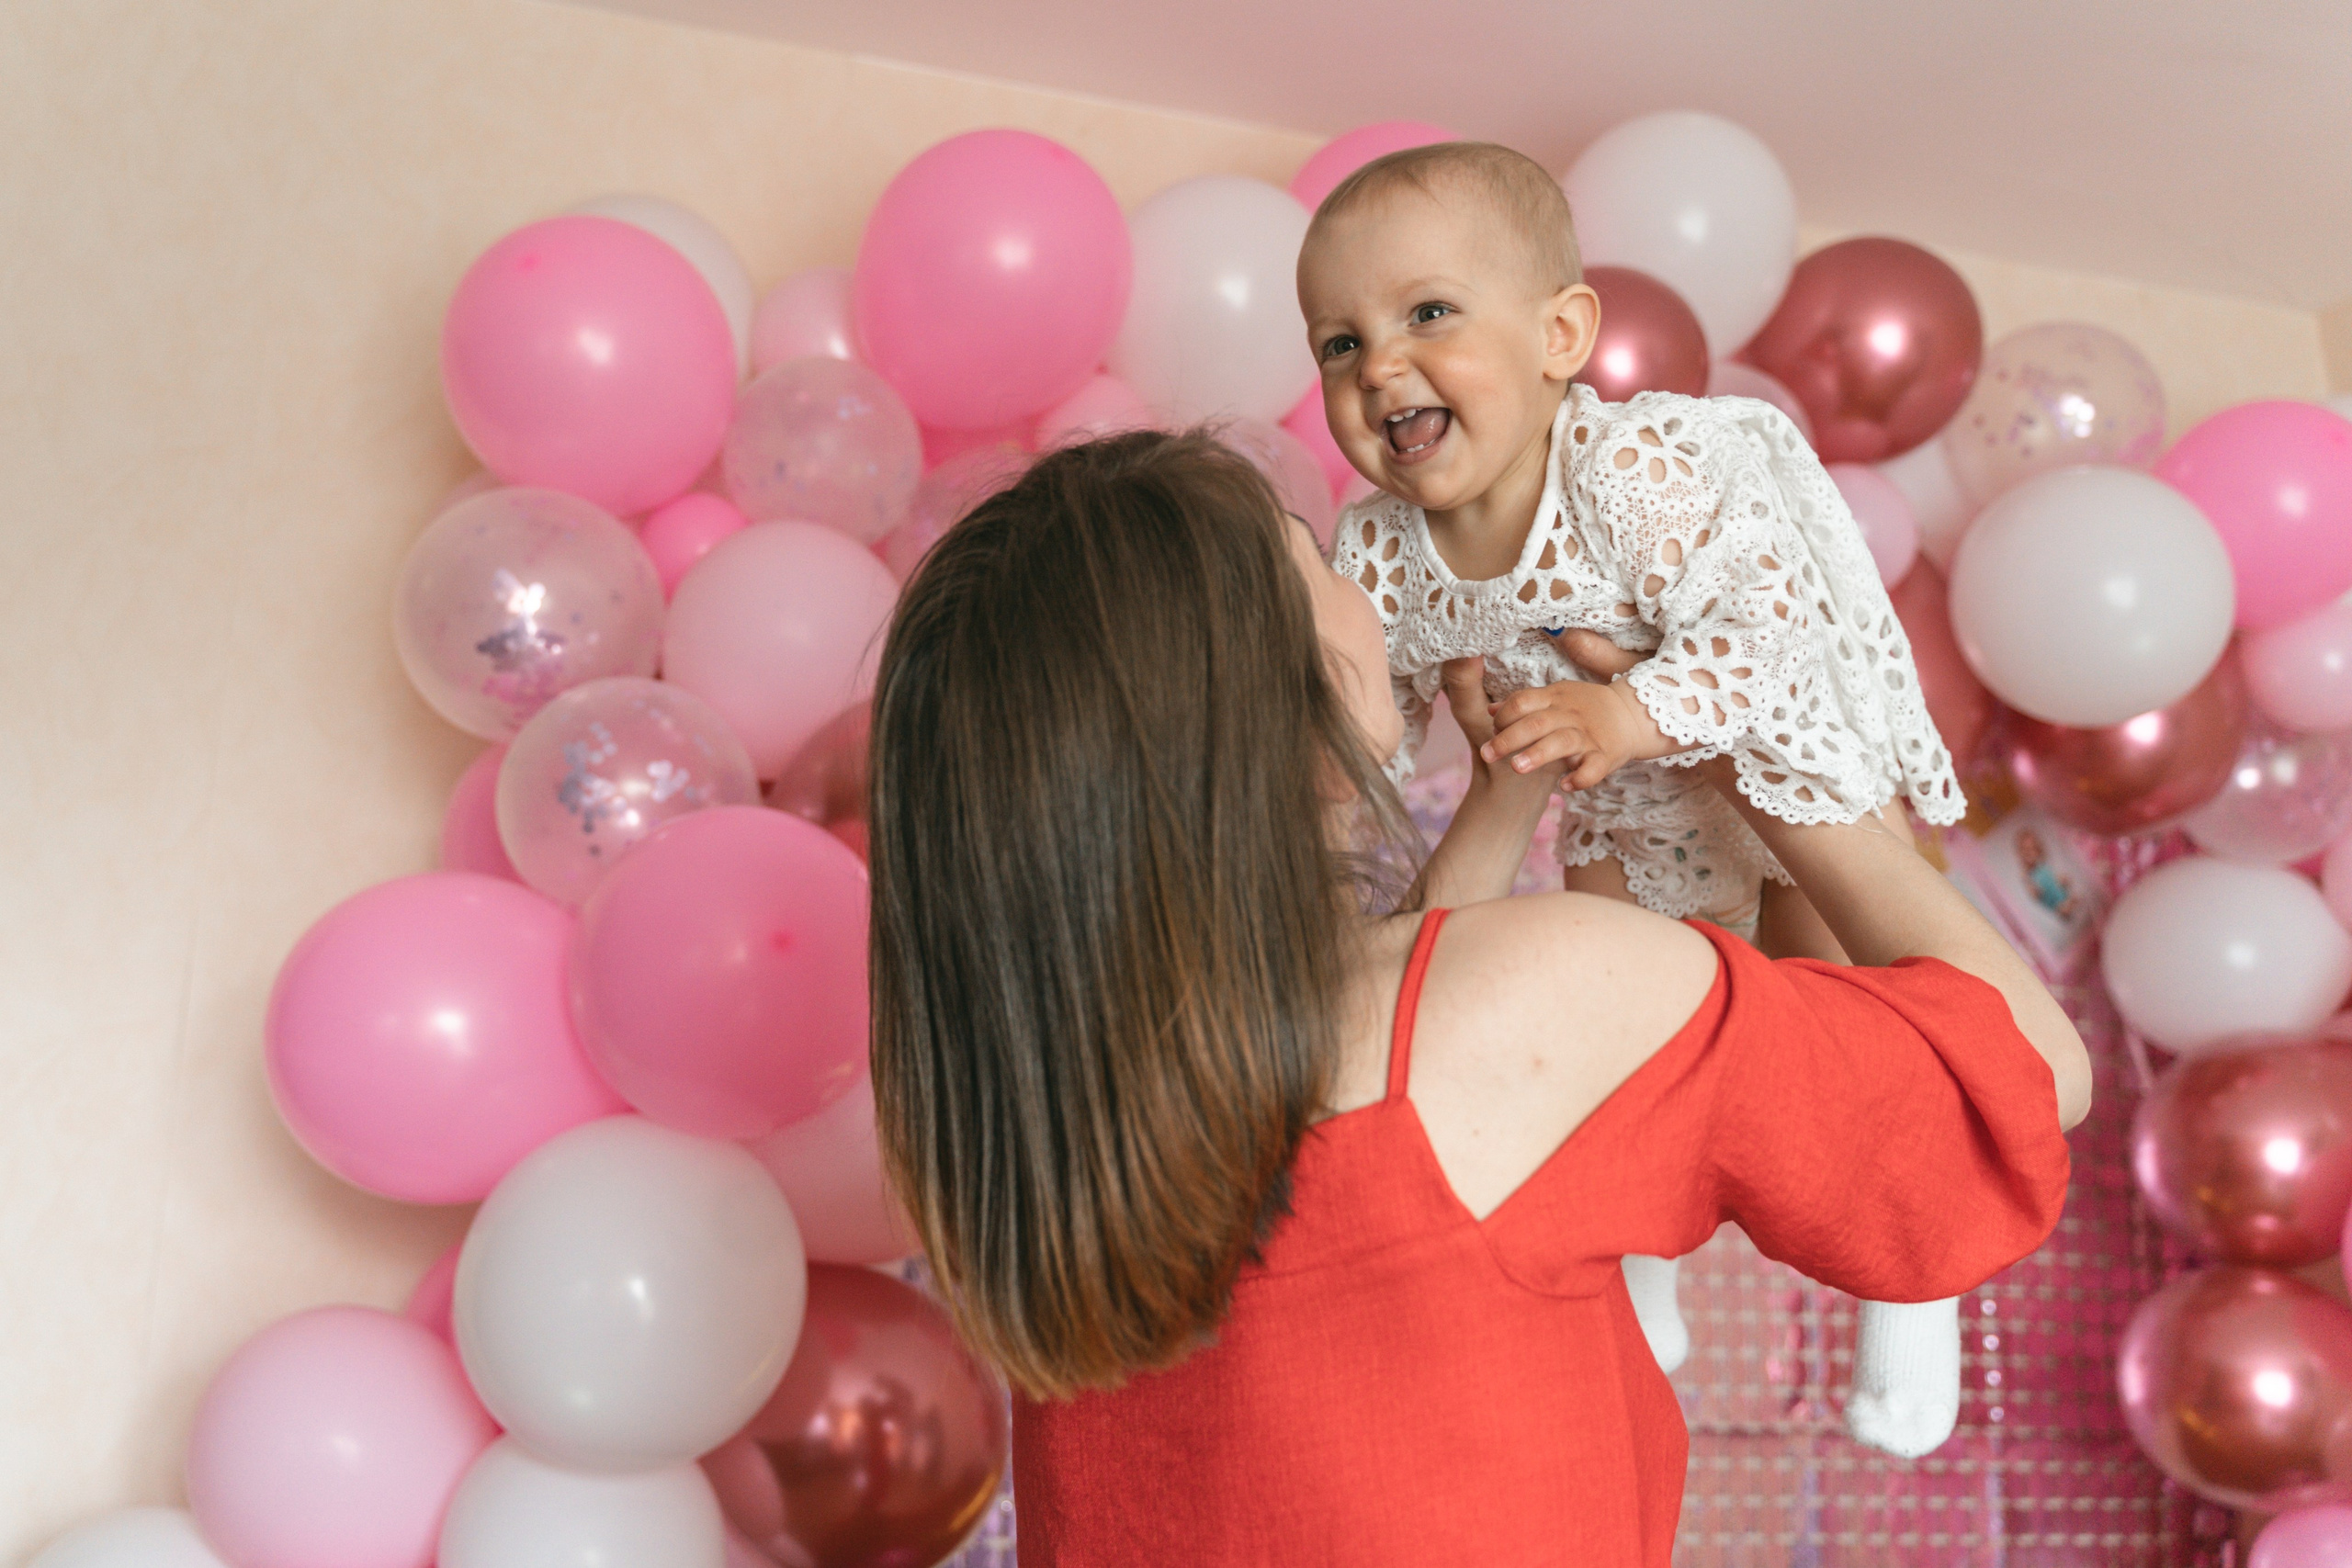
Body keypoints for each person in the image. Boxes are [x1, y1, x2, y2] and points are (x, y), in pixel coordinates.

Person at [866, 431, 2087, 1567]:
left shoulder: (1059, 1152)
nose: (1365, 575)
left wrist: (1508, 797)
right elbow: (2015, 1084)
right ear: (1281, 694)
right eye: (1316, 559)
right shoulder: (1539, 991)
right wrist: (1754, 741)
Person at [1298, 141, 1971, 1452]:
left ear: (1560, 336)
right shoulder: (1382, 547)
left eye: (1427, 313)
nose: (1378, 365)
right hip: (1624, 801)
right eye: (1337, 342)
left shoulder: (1634, 470)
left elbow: (1774, 628)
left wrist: (1625, 711)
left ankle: (1919, 1279)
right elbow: (1378, 720)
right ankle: (1643, 1275)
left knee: (1852, 1034)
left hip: (1785, 766)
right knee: (1640, 1044)